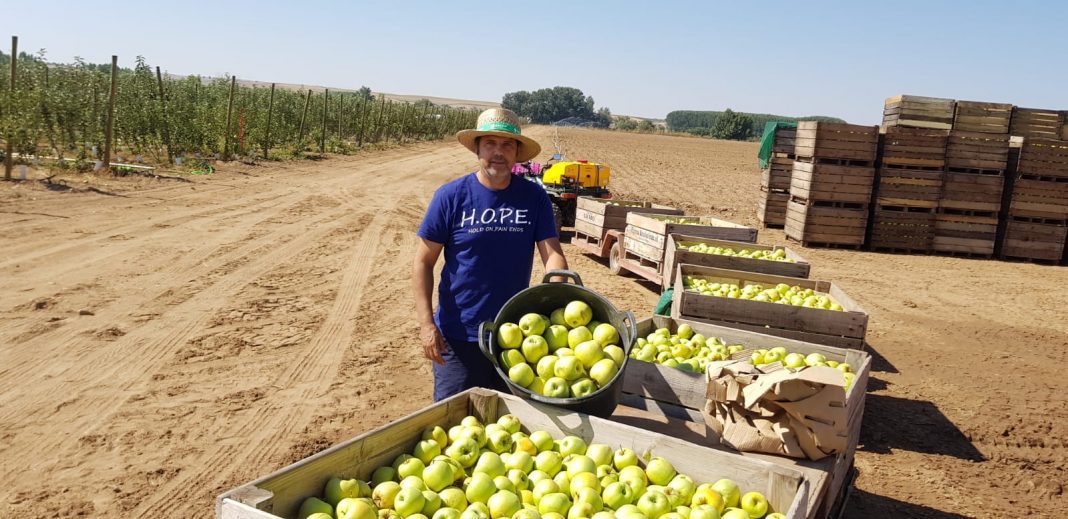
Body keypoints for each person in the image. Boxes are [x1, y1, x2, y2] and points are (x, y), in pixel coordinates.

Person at [412, 108, 568, 401]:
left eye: (507, 145)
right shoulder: (451, 196)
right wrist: (426, 324)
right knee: (454, 422)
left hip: (514, 336)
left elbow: (552, 252)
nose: (499, 152)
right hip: (458, 337)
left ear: (518, 152)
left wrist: (558, 280)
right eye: (490, 144)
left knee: (509, 422)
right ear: (478, 149)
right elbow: (423, 261)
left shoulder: (534, 198)